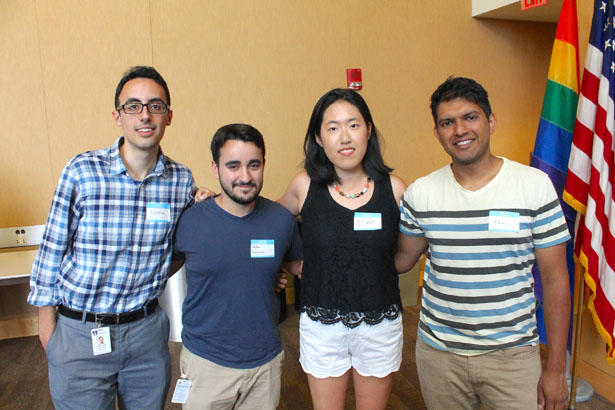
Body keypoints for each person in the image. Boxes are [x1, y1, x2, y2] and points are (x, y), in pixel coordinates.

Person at [28, 66, 201, 410]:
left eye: (155, 105)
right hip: (80, 334)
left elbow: (181, 248)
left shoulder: (181, 181)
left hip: (146, 334)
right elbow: (50, 252)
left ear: (169, 116)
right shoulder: (82, 172)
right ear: (117, 116)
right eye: (133, 106)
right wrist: (48, 331)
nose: (145, 115)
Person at [395, 76, 571, 410]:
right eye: (447, 122)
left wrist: (556, 369)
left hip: (513, 357)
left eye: (470, 117)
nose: (459, 130)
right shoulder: (421, 193)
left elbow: (555, 280)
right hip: (440, 356)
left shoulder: (534, 186)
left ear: (491, 121)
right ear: (437, 133)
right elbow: (401, 261)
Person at [279, 88, 407, 410]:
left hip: (379, 323)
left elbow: (406, 255)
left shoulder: (395, 189)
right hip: (322, 324)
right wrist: (291, 264)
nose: (345, 137)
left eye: (353, 125)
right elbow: (267, 224)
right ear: (319, 138)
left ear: (368, 130)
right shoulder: (304, 185)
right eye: (333, 128)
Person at [172, 123, 302, 410]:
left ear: (264, 164)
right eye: (233, 166)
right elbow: (161, 270)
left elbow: (299, 267)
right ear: (215, 168)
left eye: (254, 165)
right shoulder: (189, 220)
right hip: (206, 363)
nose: (245, 176)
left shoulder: (281, 220)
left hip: (265, 363)